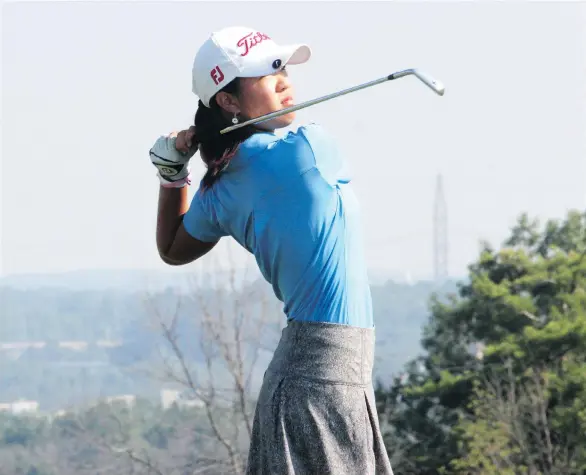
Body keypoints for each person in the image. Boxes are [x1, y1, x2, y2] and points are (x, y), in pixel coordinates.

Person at [149, 26, 394, 475]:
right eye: (267, 73)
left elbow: (172, 248)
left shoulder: (219, 188)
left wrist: (172, 174)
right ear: (228, 100)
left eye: (281, 68)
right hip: (319, 380)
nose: (284, 81)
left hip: (318, 376)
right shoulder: (311, 147)